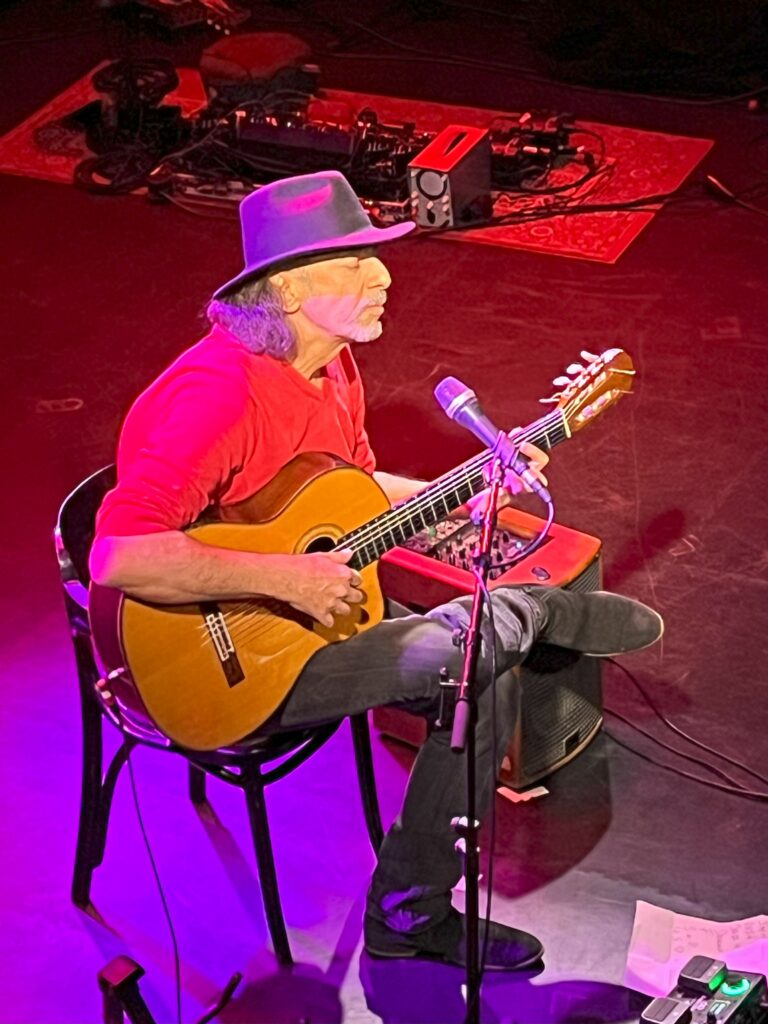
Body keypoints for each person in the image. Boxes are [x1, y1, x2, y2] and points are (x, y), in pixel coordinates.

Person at [90, 170, 663, 971]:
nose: (385, 276)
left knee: (479, 669)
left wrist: (456, 488)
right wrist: (287, 581)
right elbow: (118, 555)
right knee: (485, 645)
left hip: (312, 623)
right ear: (288, 289)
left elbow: (352, 493)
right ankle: (540, 613)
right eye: (355, 262)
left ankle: (408, 905)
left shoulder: (331, 366)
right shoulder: (217, 398)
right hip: (223, 664)